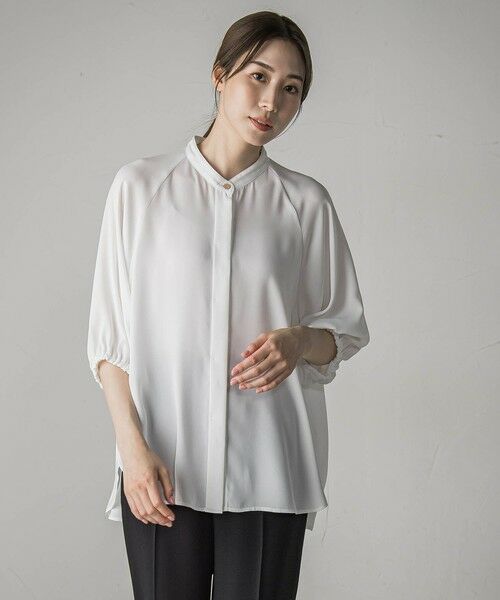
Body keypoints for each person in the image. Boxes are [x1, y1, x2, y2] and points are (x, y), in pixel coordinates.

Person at [86, 10, 370, 600]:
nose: (272, 102)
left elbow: (342, 332)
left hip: (269, 468)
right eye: (258, 77)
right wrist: (132, 452)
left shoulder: (306, 203)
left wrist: (298, 340)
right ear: (220, 74)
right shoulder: (140, 188)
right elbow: (111, 344)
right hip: (162, 465)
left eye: (291, 89)